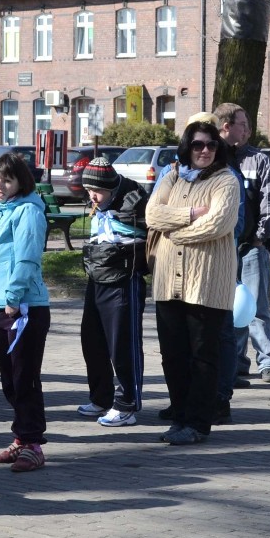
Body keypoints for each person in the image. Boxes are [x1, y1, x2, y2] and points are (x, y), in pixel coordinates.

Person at [146, 119, 240, 445]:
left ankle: (199, 424)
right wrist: (188, 215)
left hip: (206, 283)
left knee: (203, 356)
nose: (204, 151)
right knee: (173, 355)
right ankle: (180, 416)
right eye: (198, 144)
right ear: (188, 146)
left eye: (211, 145)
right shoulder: (172, 176)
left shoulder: (225, 181)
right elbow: (151, 215)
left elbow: (217, 224)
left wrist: (173, 232)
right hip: (167, 281)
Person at [0, 152, 50, 472]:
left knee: (24, 377)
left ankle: (33, 444)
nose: (0, 185)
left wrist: (14, 297)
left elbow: (27, 259)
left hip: (23, 308)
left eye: (7, 179)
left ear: (21, 181)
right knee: (9, 380)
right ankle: (21, 439)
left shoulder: (28, 212)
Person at [75, 157, 148, 427]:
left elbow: (149, 235)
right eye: (88, 190)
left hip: (123, 279)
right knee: (92, 340)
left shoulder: (134, 200)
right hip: (97, 277)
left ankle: (127, 403)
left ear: (111, 187)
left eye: (98, 191)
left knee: (123, 345)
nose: (93, 196)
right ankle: (101, 397)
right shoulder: (97, 201)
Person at [214, 103, 270, 384]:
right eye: (243, 124)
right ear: (227, 126)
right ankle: (237, 361)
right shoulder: (217, 160)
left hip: (251, 246)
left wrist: (259, 238)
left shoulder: (260, 160)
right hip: (223, 248)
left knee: (256, 306)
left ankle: (266, 361)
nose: (248, 130)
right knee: (231, 307)